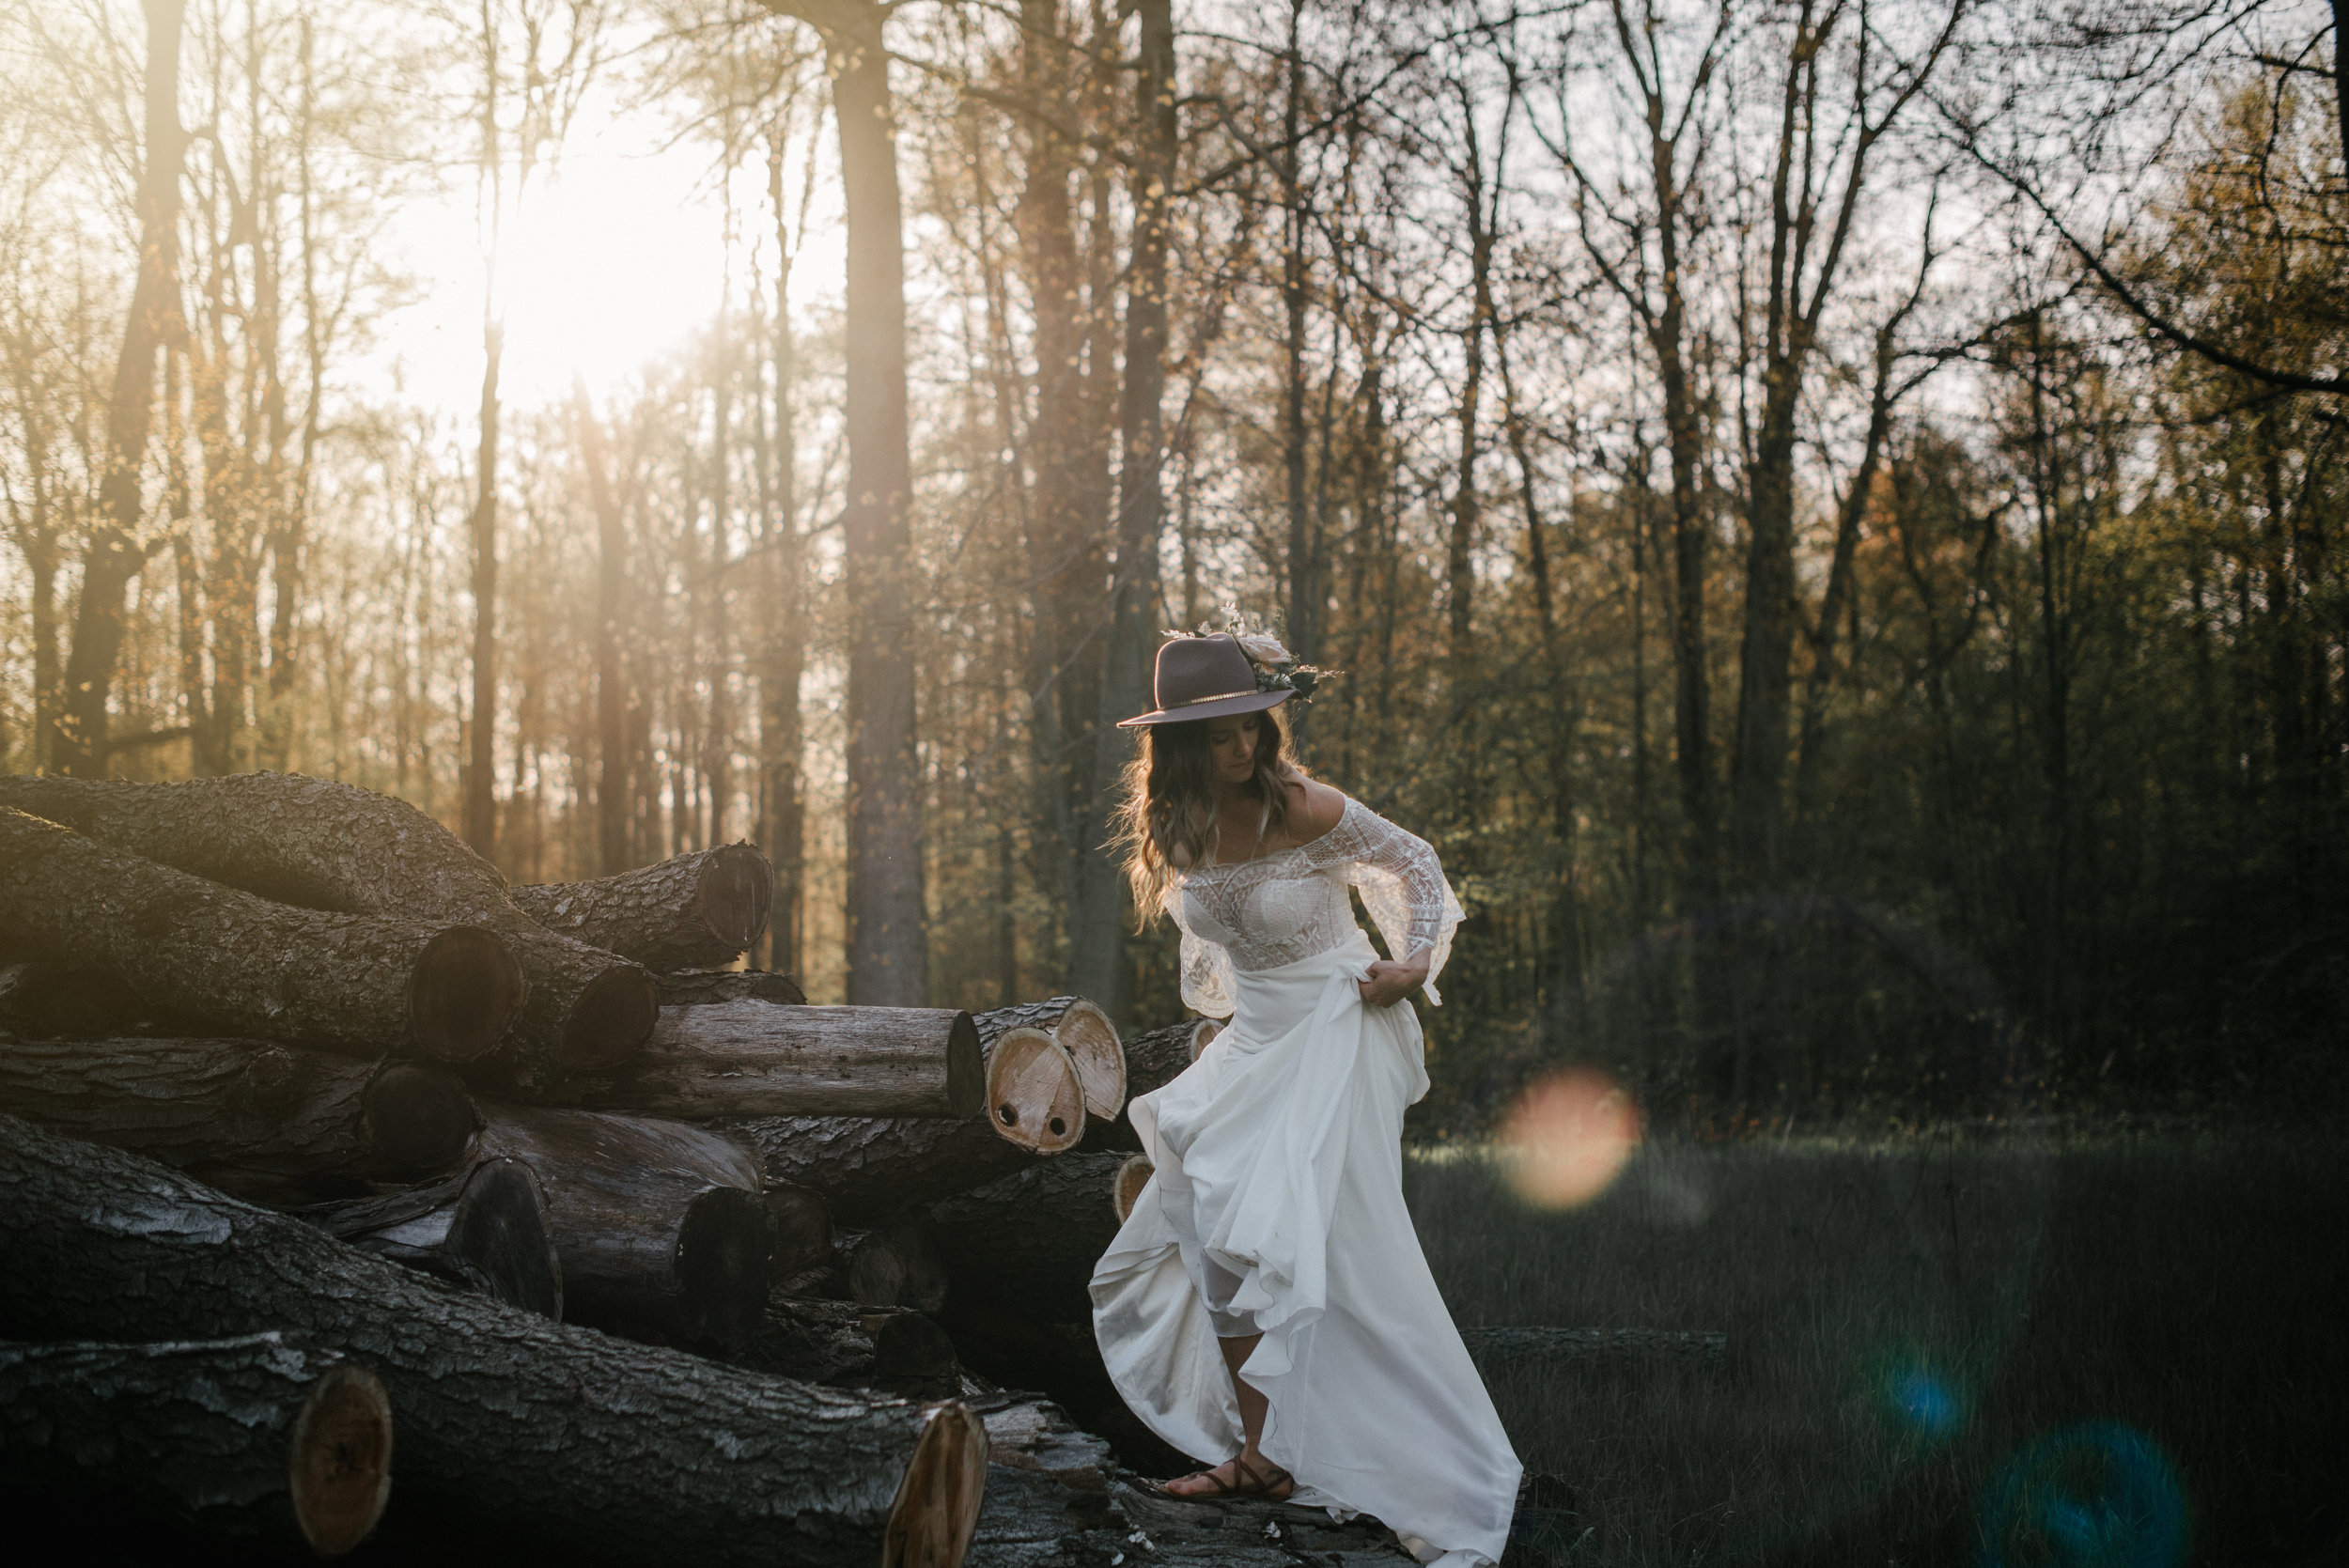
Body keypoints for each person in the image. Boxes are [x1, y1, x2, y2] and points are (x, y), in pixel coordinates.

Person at [1088, 631, 1522, 1568]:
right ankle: (1260, 1454)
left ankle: (1429, 1463)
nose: (1240, 745)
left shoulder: (1306, 807)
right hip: (1259, 1037)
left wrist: (1410, 967)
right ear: (1179, 746)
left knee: (1307, 1238)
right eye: (1217, 733)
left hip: (1338, 1020)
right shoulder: (1179, 825)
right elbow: (1218, 942)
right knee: (1205, 1211)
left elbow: (1416, 866)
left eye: (1249, 724)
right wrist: (1227, 1024)